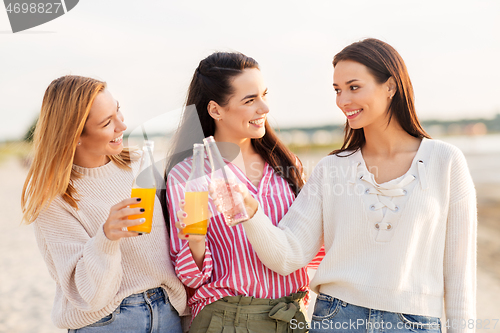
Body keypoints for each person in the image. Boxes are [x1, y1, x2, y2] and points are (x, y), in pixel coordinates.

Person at [208, 39, 477, 333]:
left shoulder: (445, 161)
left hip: (416, 322)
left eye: (353, 87)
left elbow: (460, 276)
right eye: (337, 90)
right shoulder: (331, 169)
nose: (342, 100)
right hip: (337, 319)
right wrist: (250, 211)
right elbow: (289, 255)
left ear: (390, 86)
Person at [165, 52, 324, 333]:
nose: (264, 107)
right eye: (249, 100)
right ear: (215, 110)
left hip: (292, 317)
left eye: (264, 95)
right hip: (228, 319)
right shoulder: (188, 176)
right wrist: (197, 243)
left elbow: (307, 249)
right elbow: (191, 277)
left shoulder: (286, 164)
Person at [21, 75, 187, 332]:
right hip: (109, 322)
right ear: (75, 135)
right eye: (108, 122)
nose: (122, 125)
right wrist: (107, 238)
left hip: (168, 313)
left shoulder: (139, 164)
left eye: (117, 110)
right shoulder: (53, 200)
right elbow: (90, 295)